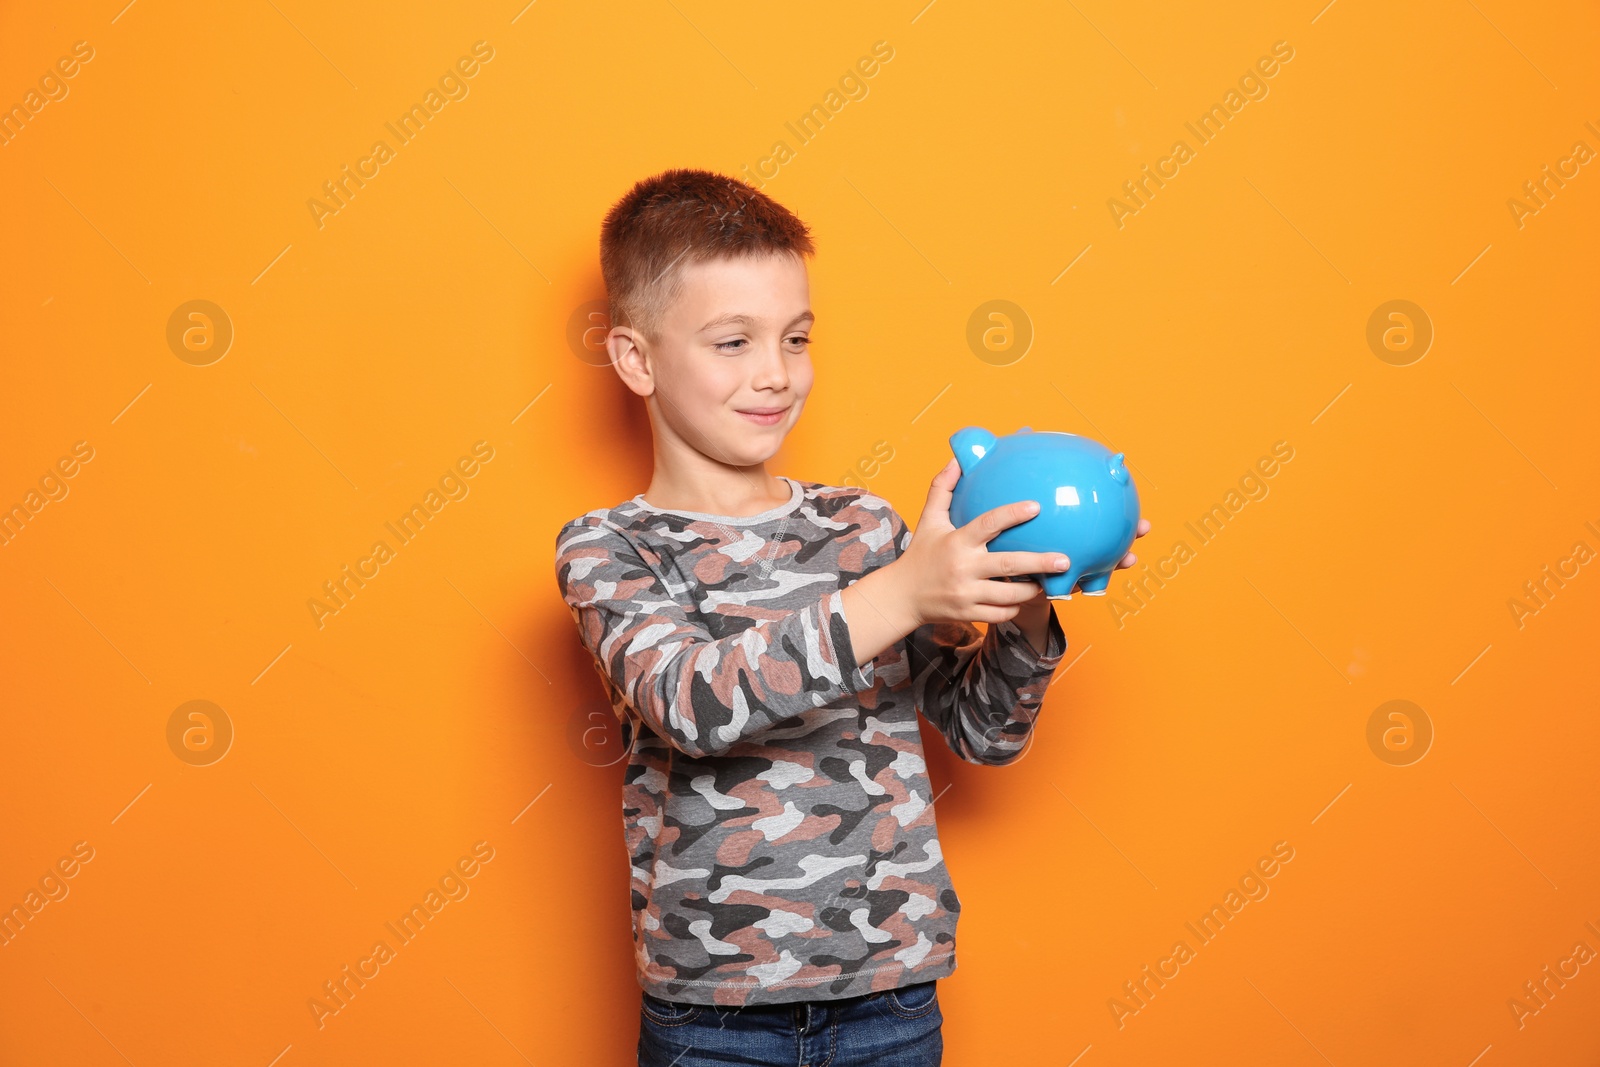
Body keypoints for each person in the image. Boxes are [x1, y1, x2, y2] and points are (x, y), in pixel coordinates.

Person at [553, 168, 1150, 1067]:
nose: (776, 374)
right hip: (712, 1018)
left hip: (892, 998)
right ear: (636, 358)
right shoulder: (609, 547)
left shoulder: (864, 527)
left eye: (796, 338)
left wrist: (1022, 601)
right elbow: (692, 703)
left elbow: (984, 737)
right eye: (732, 342)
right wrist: (906, 591)